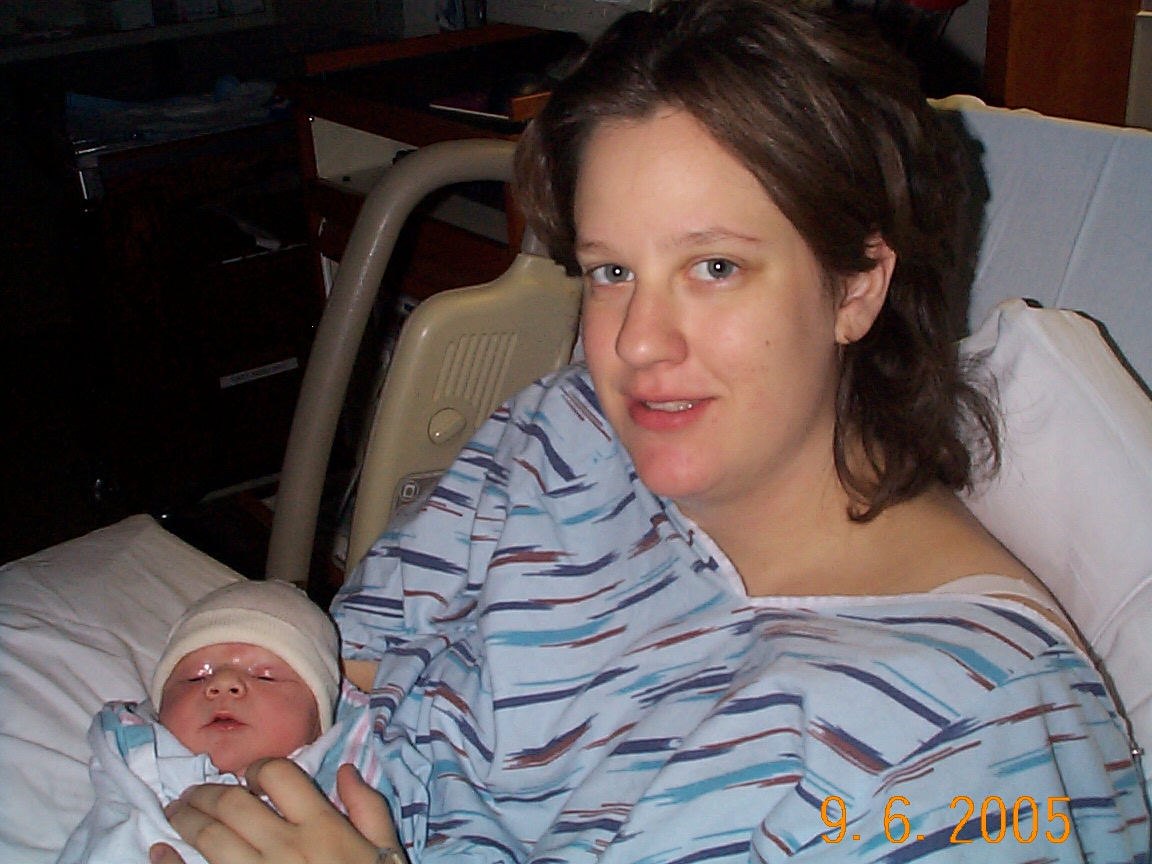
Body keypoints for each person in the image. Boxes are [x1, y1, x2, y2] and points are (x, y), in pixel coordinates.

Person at [154, 1, 1151, 862]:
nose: (635, 342)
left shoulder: (962, 736)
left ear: (856, 287)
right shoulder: (566, 432)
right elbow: (354, 660)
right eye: (611, 270)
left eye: (715, 267)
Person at [58, 579, 370, 864]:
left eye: (265, 676)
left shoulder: (349, 796)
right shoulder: (133, 765)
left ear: (319, 726)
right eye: (195, 677)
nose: (223, 683)